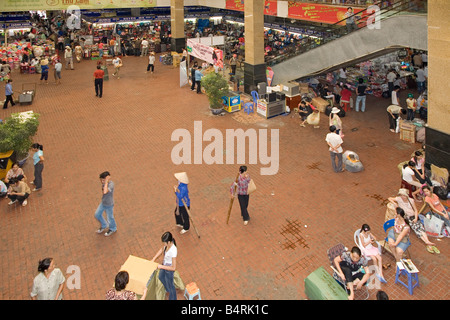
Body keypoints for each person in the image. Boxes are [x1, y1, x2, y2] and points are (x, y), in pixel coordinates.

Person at [388, 188, 438, 254]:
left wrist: (416, 217)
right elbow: (389, 198)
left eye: (404, 195)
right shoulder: (399, 199)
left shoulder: (411, 200)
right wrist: (396, 204)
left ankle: (427, 241)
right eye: (402, 195)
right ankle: (427, 242)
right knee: (417, 228)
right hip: (408, 217)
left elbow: (415, 210)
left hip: (413, 216)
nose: (403, 197)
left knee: (420, 227)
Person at [151, 232, 178, 300]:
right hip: (164, 265)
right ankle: (167, 289)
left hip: (169, 269)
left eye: (164, 243)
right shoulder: (166, 245)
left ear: (169, 242)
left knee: (171, 285)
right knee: (160, 276)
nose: (163, 244)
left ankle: (173, 297)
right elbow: (161, 249)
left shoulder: (173, 250)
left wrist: (161, 266)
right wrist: (153, 259)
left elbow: (173, 268)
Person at [94, 171, 117, 237]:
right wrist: (105, 181)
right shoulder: (105, 183)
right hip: (103, 203)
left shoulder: (111, 184)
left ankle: (113, 228)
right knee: (97, 214)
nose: (102, 181)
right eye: (101, 180)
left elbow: (105, 192)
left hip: (109, 205)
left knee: (110, 218)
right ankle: (104, 225)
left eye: (103, 180)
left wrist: (106, 181)